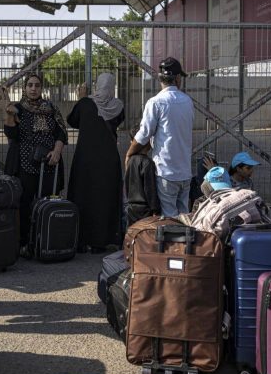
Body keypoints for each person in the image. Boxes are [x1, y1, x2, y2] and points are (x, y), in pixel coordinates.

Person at [0, 73, 68, 249]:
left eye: (37, 85)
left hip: (49, 163)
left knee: (48, 202)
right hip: (24, 164)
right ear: (24, 88)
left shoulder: (50, 108)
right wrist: (10, 115)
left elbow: (61, 133)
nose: (33, 89)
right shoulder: (17, 107)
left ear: (41, 88)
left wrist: (57, 152)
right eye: (30, 85)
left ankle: (46, 240)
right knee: (24, 204)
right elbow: (11, 134)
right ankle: (24, 243)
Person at [125, 57, 195, 217]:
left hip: (166, 172)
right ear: (177, 78)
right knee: (184, 217)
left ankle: (173, 243)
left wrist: (129, 153)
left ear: (160, 78)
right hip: (185, 172)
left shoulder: (155, 103)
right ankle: (186, 243)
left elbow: (144, 134)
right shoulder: (187, 101)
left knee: (169, 220)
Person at [66, 73, 125, 252]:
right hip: (108, 160)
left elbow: (72, 121)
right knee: (105, 198)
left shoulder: (85, 104)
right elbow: (118, 121)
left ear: (97, 85)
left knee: (83, 196)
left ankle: (81, 240)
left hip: (86, 159)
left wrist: (82, 98)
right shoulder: (118, 106)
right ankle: (102, 241)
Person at [125, 137, 159, 225]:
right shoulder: (147, 163)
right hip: (145, 211)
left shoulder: (130, 160)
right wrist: (155, 209)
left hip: (131, 208)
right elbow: (150, 189)